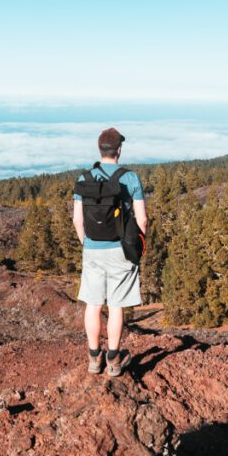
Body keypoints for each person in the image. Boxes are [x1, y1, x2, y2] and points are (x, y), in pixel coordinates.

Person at [73, 127, 146, 377]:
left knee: (93, 305)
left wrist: (86, 244)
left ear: (99, 149)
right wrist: (138, 245)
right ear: (119, 151)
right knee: (116, 307)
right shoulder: (131, 178)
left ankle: (94, 359)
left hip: (92, 249)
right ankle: (113, 360)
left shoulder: (84, 180)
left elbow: (77, 220)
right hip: (120, 251)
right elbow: (142, 220)